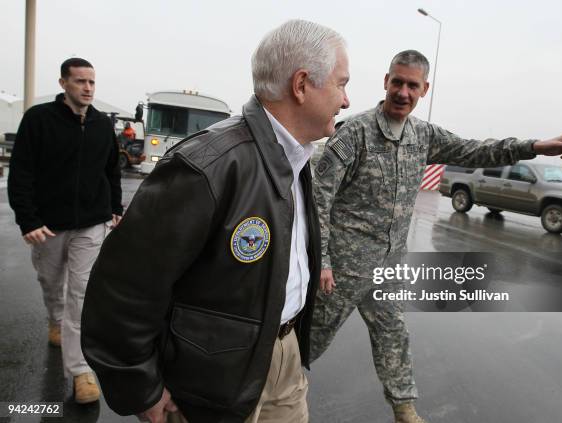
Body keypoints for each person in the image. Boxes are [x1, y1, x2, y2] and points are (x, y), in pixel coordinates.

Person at [80, 19, 350, 423]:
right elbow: (123, 288)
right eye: (341, 83)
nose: (346, 101)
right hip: (210, 381)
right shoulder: (208, 166)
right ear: (301, 85)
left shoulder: (297, 157)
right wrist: (141, 388)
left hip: (283, 357)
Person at [310, 49, 562, 423]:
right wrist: (323, 261)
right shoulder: (355, 133)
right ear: (385, 81)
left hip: (388, 268)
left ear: (424, 89)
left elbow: (477, 150)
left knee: (394, 335)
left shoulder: (423, 136)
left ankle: (404, 409)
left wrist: (536, 146)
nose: (403, 92)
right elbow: (319, 196)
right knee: (308, 340)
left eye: (412, 85)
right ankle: (264, 393)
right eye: (397, 82)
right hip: (343, 270)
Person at [7, 57, 123, 404]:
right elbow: (22, 172)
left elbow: (111, 171)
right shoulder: (39, 120)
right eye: (80, 82)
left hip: (92, 223)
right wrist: (28, 220)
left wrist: (115, 209)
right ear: (63, 84)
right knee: (51, 282)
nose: (87, 88)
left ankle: (80, 371)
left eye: (91, 82)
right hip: (49, 226)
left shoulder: (103, 125)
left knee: (82, 294)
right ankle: (54, 320)